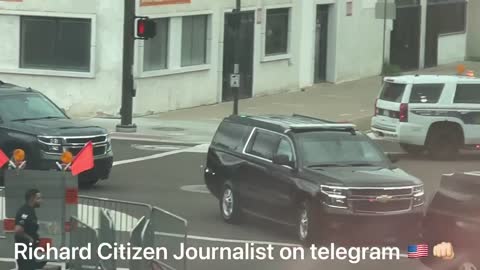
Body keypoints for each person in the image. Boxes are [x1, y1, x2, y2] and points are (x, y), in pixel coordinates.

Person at [14, 188, 47, 270]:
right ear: (32, 199)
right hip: (24, 250)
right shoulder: (24, 211)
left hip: (30, 250)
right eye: (38, 198)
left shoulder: (30, 210)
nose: (41, 201)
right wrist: (30, 239)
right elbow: (18, 230)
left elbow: (30, 224)